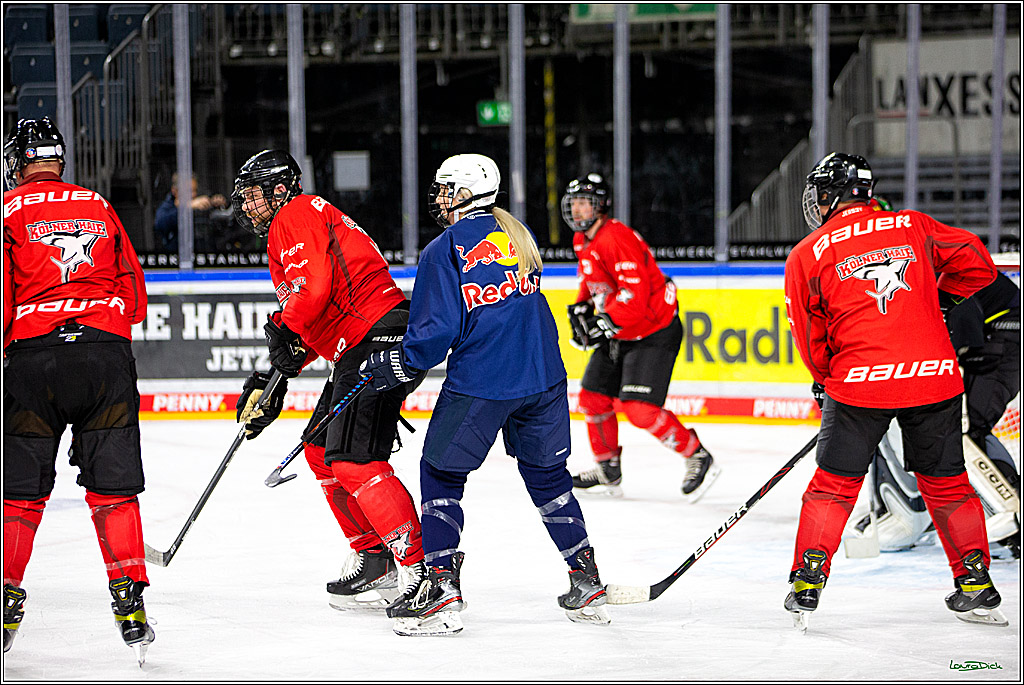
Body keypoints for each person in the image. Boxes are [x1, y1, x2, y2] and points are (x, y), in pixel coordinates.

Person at [361, 153, 609, 636]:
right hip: (543, 375)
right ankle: (587, 580)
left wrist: (398, 362)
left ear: (462, 193)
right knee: (547, 477)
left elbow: (435, 332)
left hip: (484, 381)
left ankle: (440, 591)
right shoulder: (519, 233)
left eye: (443, 188)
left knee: (440, 472)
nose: (437, 197)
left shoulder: (444, 249)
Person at [783, 151, 1005, 629]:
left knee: (834, 484)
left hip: (861, 383)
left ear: (828, 195)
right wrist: (937, 298)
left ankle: (807, 582)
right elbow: (979, 265)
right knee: (946, 483)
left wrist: (824, 380)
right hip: (934, 376)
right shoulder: (913, 224)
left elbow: (809, 335)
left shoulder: (808, 252)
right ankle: (975, 582)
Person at [230, 149, 425, 612]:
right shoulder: (309, 217)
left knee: (355, 460)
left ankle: (421, 571)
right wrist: (278, 375)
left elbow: (311, 292)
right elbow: (326, 305)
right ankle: (375, 558)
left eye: (254, 194)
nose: (247, 205)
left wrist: (283, 324)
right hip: (363, 338)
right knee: (320, 450)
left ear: (280, 190)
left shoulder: (292, 214)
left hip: (373, 339)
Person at [2, 118, 154, 663]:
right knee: (112, 486)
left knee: (20, 491)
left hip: (33, 359)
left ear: (19, 161)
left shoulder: (6, 210)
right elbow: (135, 297)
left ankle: (4, 599)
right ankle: (130, 600)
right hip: (104, 359)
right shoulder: (98, 204)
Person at [846, 199, 1021, 559]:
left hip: (1000, 338)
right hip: (985, 339)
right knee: (927, 425)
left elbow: (960, 319)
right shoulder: (896, 252)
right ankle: (906, 508)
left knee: (962, 428)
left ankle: (1013, 510)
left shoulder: (908, 255)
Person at [561, 173, 719, 501]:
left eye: (584, 203)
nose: (577, 210)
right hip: (622, 330)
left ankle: (697, 455)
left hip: (653, 331)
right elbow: (594, 278)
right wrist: (581, 304)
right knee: (592, 397)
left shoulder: (614, 238)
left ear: (600, 206)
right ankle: (608, 468)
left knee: (639, 409)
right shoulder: (583, 240)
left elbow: (635, 296)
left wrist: (602, 323)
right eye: (573, 203)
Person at [154, 172, 229, 252]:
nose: (193, 195)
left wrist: (216, 205)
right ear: (175, 191)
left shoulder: (199, 203)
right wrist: (187, 207)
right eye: (189, 191)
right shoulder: (168, 207)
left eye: (195, 190)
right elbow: (160, 224)